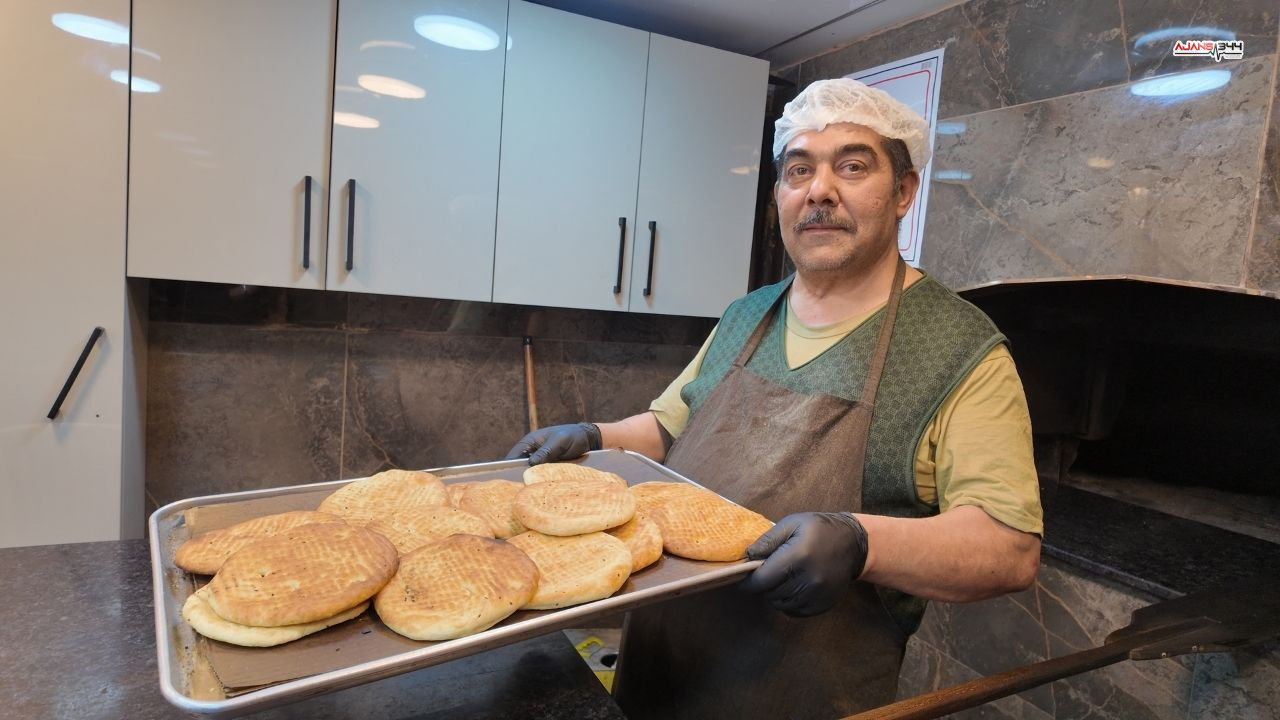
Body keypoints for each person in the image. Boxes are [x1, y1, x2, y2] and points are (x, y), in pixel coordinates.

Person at [506, 78, 1043, 719]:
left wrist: (861, 542)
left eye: (851, 165)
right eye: (799, 170)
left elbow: (1008, 549)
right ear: (780, 197)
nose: (819, 189)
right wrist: (595, 436)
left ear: (903, 192)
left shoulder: (961, 351)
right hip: (661, 671)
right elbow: (670, 426)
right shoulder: (747, 314)